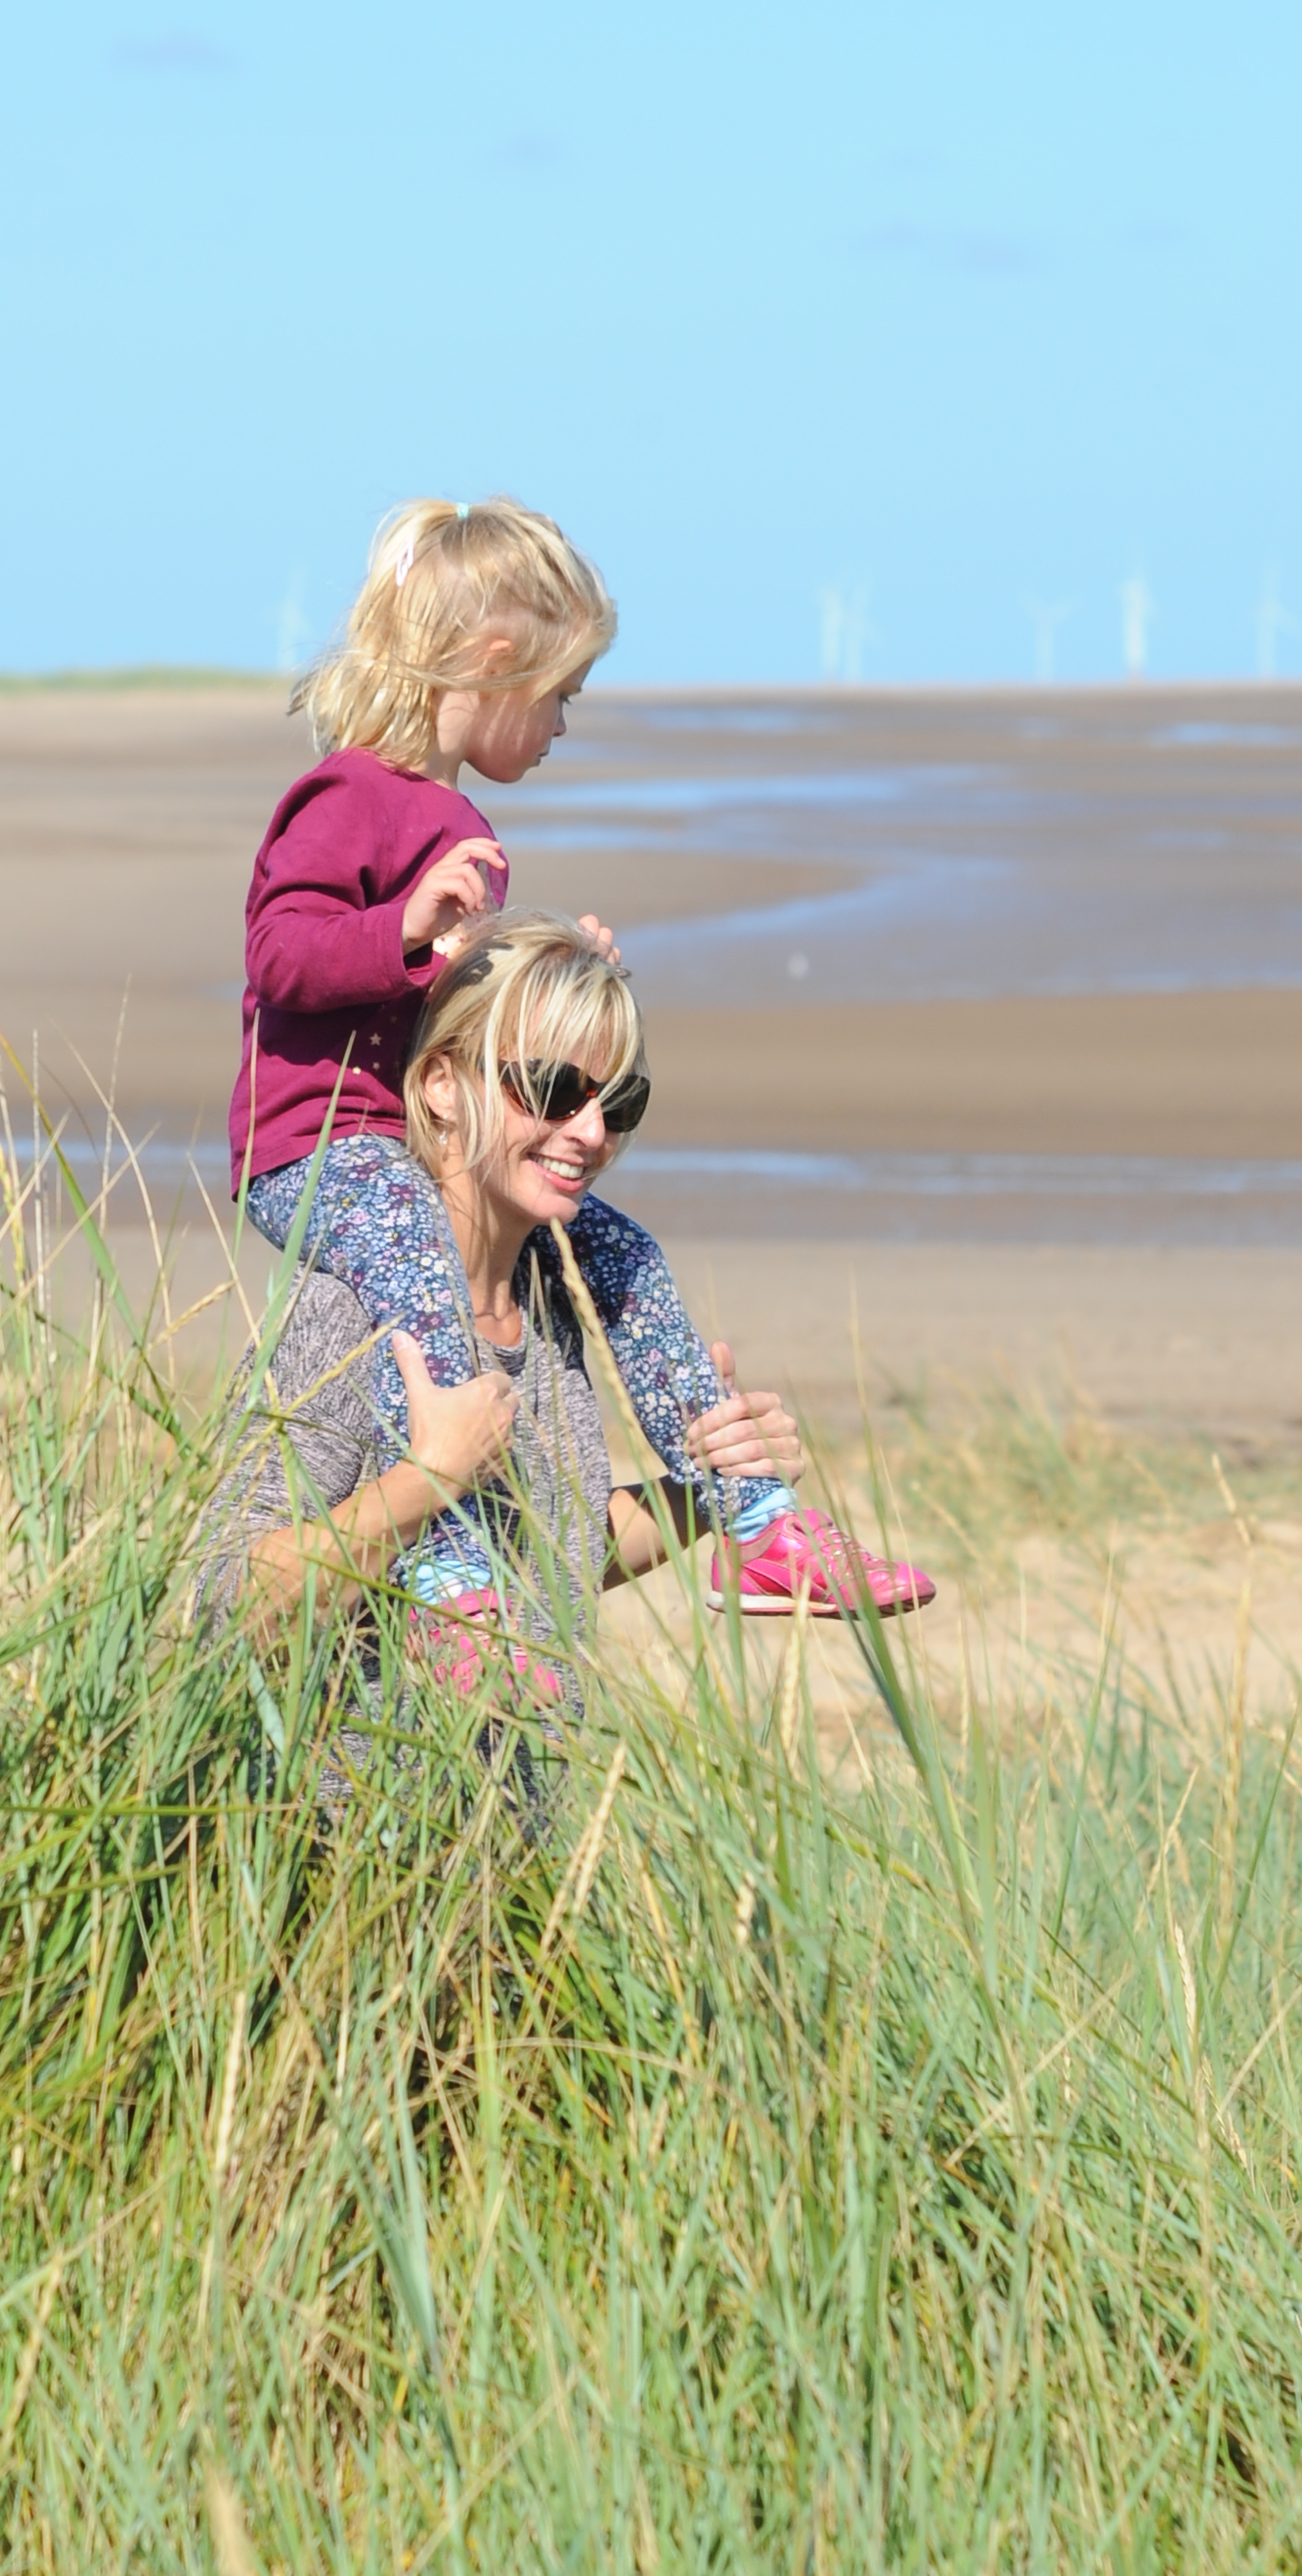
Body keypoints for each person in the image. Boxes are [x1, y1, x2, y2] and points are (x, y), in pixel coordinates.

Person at [227, 497, 932, 1630]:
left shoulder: (461, 822)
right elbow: (281, 955)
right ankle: (450, 1579)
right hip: (323, 1153)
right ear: (496, 662)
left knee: (625, 1249)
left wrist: (543, 974)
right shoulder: (348, 794)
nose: (562, 725)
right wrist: (404, 925)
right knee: (418, 1275)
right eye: (561, 694)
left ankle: (750, 1512)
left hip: (416, 1148)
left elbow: (459, 1008)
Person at [202, 913, 932, 1702]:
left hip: (519, 1823)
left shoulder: (549, 1310)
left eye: (618, 1103)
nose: (589, 1133)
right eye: (551, 1090)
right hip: (352, 1823)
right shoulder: (344, 1315)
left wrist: (712, 1488)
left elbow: (559, 1557)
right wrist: (426, 1482)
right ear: (442, 1086)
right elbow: (223, 1608)